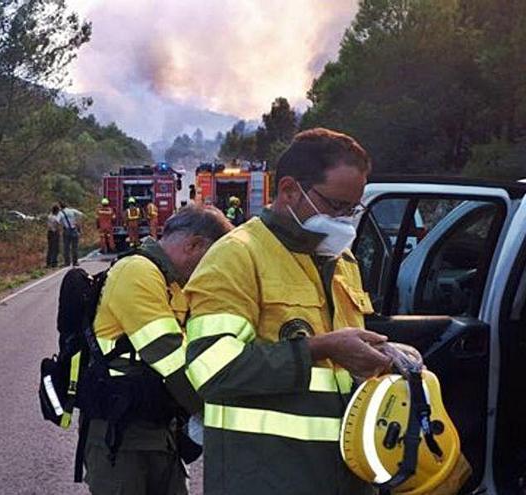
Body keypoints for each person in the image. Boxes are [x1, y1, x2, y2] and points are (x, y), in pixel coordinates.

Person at [183, 128, 392, 495]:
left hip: (345, 475)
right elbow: (212, 371)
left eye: (354, 209)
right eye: (336, 206)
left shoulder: (341, 259)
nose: (346, 221)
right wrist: (320, 348)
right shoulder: (236, 256)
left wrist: (385, 354)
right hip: (266, 477)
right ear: (289, 191)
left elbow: (342, 366)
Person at [85, 205, 233, 495]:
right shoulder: (137, 271)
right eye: (212, 259)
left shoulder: (173, 284)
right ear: (193, 245)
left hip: (159, 432)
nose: (212, 269)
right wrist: (214, 415)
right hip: (122, 438)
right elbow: (170, 357)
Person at [59, 201, 84, 267]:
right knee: (75, 247)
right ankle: (75, 262)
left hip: (66, 230)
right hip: (74, 229)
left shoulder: (60, 213)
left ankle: (67, 262)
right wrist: (76, 222)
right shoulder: (72, 210)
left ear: (60, 207)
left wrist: (62, 223)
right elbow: (81, 214)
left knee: (66, 247)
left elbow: (57, 220)